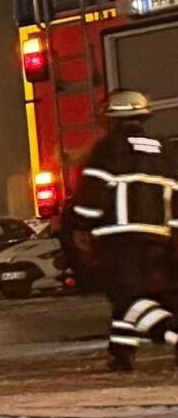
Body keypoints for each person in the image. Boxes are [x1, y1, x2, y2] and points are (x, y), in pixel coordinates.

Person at [63, 91, 178, 371]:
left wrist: (80, 224)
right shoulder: (165, 151)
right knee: (134, 295)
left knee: (127, 298)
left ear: (112, 119)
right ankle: (121, 353)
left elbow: (92, 197)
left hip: (119, 240)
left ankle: (171, 332)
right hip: (159, 239)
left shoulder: (109, 149)